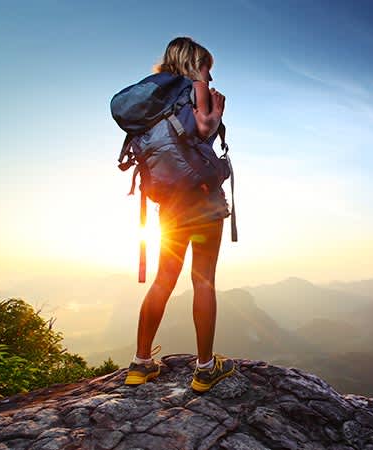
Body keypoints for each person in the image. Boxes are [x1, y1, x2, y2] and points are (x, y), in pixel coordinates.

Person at [124, 37, 236, 393]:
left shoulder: (152, 100)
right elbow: (203, 130)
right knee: (203, 280)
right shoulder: (195, 87)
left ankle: (141, 364)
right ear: (195, 63)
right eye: (208, 68)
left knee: (164, 279)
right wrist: (217, 115)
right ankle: (205, 369)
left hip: (170, 204)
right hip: (203, 202)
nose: (211, 78)